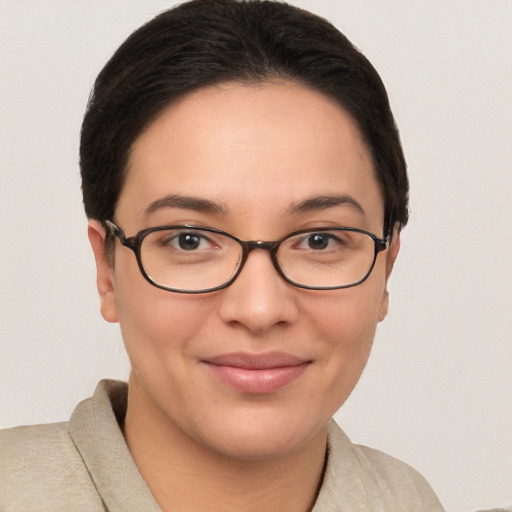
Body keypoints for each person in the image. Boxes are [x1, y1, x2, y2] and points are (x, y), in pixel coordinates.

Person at [0, 0, 445, 510]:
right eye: (189, 239)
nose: (259, 310)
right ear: (107, 269)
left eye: (319, 240)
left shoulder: (414, 499)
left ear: (386, 269)